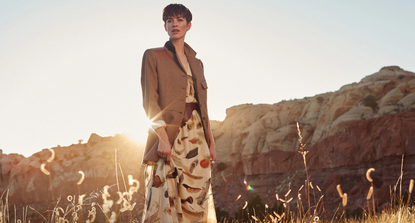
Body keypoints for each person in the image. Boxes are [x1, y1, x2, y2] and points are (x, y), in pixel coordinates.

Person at [140, 3, 217, 223]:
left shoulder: (197, 63)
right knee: (166, 196)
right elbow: (150, 102)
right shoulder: (153, 56)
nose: (175, 24)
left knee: (197, 197)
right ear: (164, 26)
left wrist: (211, 143)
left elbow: (203, 106)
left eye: (179, 20)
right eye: (170, 20)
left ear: (188, 25)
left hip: (198, 138)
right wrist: (162, 139)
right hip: (170, 138)